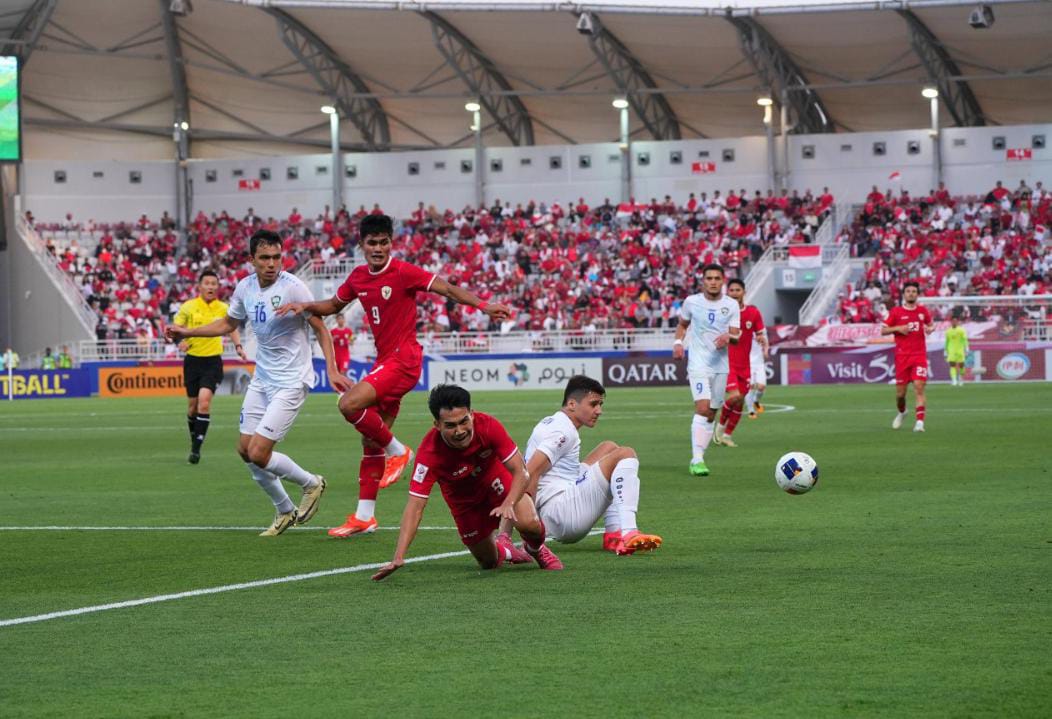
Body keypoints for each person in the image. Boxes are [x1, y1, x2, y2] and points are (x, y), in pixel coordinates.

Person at [276, 214, 510, 538]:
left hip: (404, 360)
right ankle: (364, 516)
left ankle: (399, 451)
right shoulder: (358, 278)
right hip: (385, 360)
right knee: (370, 439)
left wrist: (483, 304)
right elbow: (332, 305)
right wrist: (304, 305)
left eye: (384, 242)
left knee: (348, 404)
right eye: (372, 242)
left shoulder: (403, 272)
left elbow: (448, 289)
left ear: (391, 243)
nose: (378, 248)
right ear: (362, 245)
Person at [166, 230, 351, 536]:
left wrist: (331, 369)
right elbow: (229, 324)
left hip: (291, 381)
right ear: (251, 260)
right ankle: (284, 509)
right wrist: (186, 333)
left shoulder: (294, 287)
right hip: (263, 378)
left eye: (277, 257)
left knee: (259, 453)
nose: (272, 264)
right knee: (244, 449)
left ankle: (311, 483)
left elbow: (320, 327)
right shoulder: (245, 287)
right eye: (264, 258)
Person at [371, 384, 561, 581]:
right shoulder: (429, 454)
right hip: (463, 502)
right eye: (450, 426)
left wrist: (509, 502)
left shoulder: (488, 426)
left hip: (495, 480)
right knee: (488, 562)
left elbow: (521, 472)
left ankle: (536, 548)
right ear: (437, 424)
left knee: (529, 523)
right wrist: (399, 556)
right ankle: (507, 551)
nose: (460, 431)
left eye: (464, 421)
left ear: (472, 414)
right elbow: (415, 507)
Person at [516, 375, 662, 556]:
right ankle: (629, 531)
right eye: (593, 404)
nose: (599, 411)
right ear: (572, 405)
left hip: (557, 501)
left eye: (600, 405)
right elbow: (530, 472)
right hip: (561, 514)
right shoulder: (563, 432)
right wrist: (530, 529)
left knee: (609, 448)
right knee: (625, 454)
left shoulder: (552, 421)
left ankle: (613, 534)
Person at [173, 270, 248, 464]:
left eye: (214, 283)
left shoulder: (223, 308)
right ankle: (194, 439)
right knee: (192, 408)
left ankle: (196, 450)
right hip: (192, 361)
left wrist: (238, 346)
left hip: (213, 362)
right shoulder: (189, 307)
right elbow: (175, 329)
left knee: (204, 402)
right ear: (200, 286)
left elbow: (231, 328)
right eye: (207, 283)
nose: (211, 287)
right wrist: (179, 341)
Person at [673, 264, 741, 476]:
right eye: (709, 278)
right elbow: (683, 325)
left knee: (712, 412)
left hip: (720, 366)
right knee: (702, 408)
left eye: (716, 278)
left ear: (723, 281)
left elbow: (737, 334)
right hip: (698, 364)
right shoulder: (691, 302)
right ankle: (696, 459)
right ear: (703, 281)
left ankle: (700, 454)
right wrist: (677, 342)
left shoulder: (731, 305)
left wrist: (728, 337)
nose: (712, 281)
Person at [715, 278, 766, 447]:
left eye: (738, 290)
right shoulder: (722, 313)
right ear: (727, 293)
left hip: (745, 365)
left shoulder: (753, 312)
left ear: (744, 292)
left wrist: (760, 337)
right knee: (735, 396)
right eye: (732, 290)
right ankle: (720, 428)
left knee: (740, 400)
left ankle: (727, 436)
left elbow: (760, 332)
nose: (735, 293)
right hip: (726, 363)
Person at [881, 281, 934, 432]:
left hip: (919, 356)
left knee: (919, 387)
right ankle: (902, 412)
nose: (911, 293)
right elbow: (883, 331)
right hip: (902, 357)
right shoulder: (896, 312)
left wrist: (930, 329)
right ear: (904, 294)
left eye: (914, 291)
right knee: (900, 395)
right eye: (908, 291)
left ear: (917, 294)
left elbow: (931, 325)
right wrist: (898, 328)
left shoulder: (923, 311)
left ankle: (919, 423)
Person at [944, 314, 969, 387]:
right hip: (951, 350)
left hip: (960, 350)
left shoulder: (961, 330)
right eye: (953, 321)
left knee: (961, 366)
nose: (954, 322)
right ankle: (954, 380)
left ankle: (961, 379)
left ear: (958, 322)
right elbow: (947, 341)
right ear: (951, 322)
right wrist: (945, 350)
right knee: (952, 365)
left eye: (955, 321)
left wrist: (967, 348)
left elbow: (965, 340)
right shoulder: (948, 331)